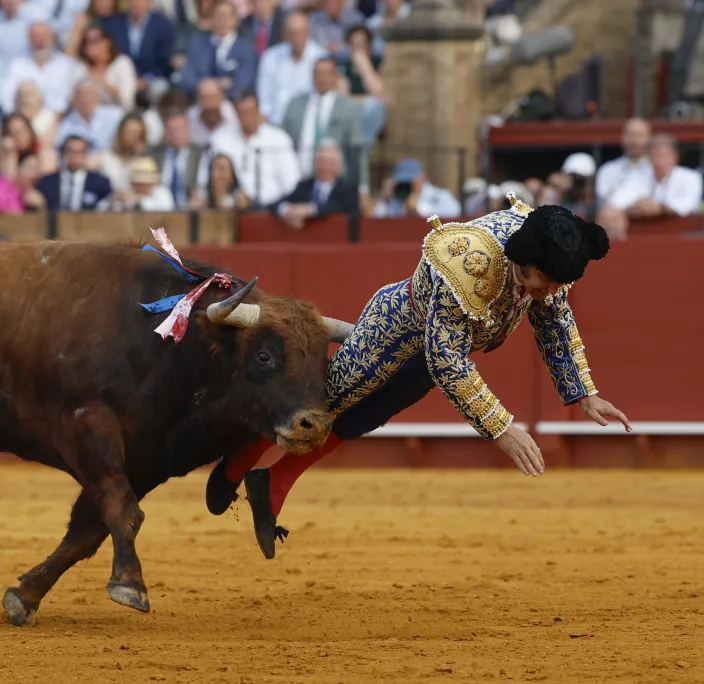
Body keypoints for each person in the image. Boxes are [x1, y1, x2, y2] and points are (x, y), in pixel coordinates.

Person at [206, 194, 632, 559]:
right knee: (326, 400)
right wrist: (502, 428)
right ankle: (242, 458)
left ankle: (275, 480)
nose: (549, 291)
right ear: (524, 260)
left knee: (364, 416)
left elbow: (554, 318)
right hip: (396, 328)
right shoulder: (471, 264)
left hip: (435, 352)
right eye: (544, 281)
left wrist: (584, 394)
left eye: (558, 283)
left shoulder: (550, 250)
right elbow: (447, 358)